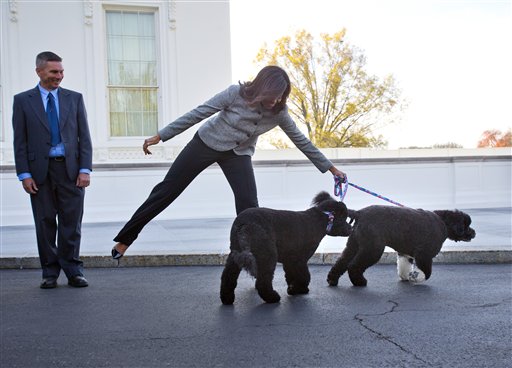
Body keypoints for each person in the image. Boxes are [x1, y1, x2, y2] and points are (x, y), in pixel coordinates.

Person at [112, 65, 346, 259]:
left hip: (239, 154)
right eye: (272, 95)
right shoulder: (235, 93)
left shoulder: (279, 113)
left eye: (280, 96)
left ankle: (252, 255)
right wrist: (161, 135)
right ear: (262, 88)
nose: (276, 101)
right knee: (167, 190)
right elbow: (198, 113)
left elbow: (302, 141)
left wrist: (331, 168)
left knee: (249, 206)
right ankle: (125, 239)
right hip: (206, 143)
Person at [12, 51, 93, 288]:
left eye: (61, 72)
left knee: (71, 222)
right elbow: (20, 141)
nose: (59, 76)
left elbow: (84, 138)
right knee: (45, 222)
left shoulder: (74, 98)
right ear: (39, 71)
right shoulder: (22, 101)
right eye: (54, 72)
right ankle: (49, 272)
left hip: (70, 170)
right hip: (40, 173)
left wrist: (85, 169)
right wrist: (24, 174)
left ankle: (73, 270)